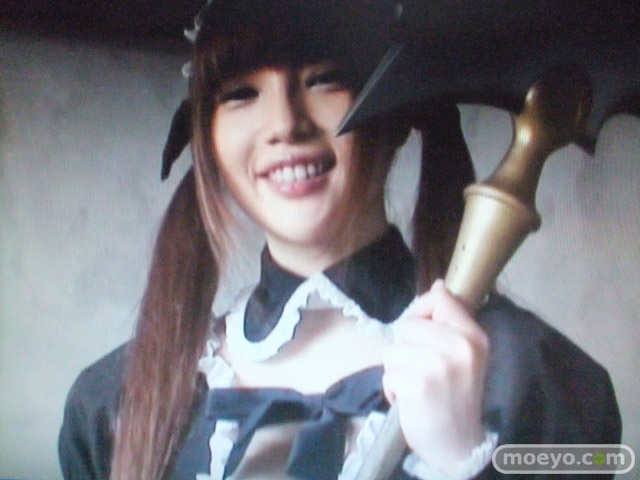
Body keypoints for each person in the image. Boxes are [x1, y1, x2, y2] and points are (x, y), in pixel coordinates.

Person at [58, 1, 621, 480]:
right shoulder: (111, 403)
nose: (285, 123)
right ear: (207, 139)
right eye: (240, 93)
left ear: (400, 113)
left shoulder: (552, 381)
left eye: (324, 79)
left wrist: (462, 459)